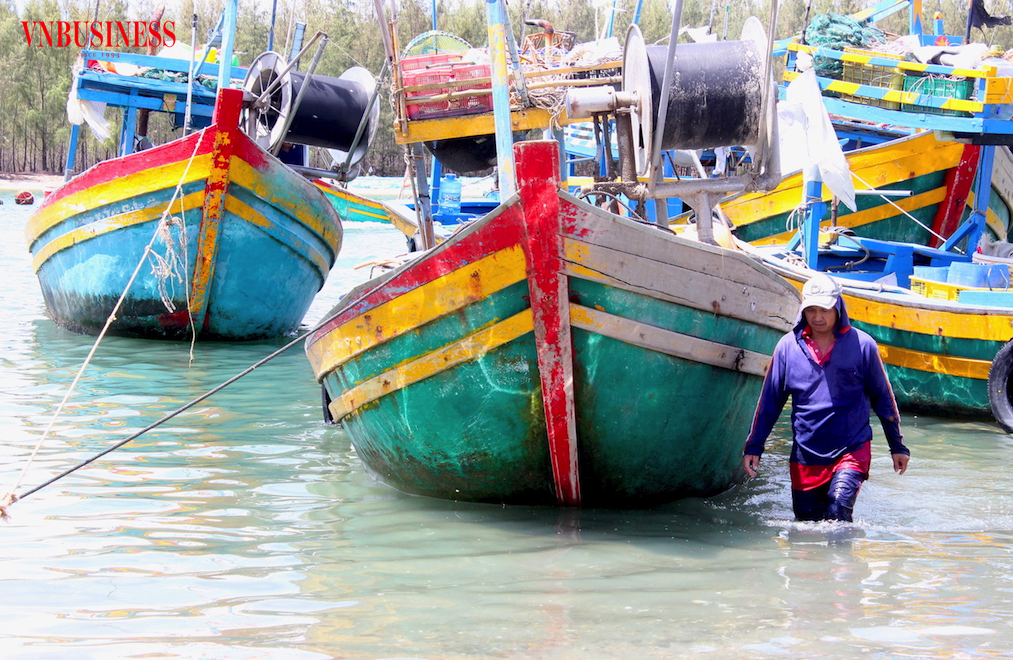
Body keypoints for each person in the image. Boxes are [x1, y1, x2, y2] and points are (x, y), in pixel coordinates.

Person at [742, 273, 910, 522]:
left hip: (851, 449)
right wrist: (755, 445)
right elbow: (770, 401)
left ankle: (844, 560)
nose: (818, 317)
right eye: (811, 310)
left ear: (838, 308)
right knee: (807, 528)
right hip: (805, 455)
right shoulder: (788, 347)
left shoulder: (863, 346)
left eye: (825, 310)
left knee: (838, 510)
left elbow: (883, 399)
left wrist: (897, 445)